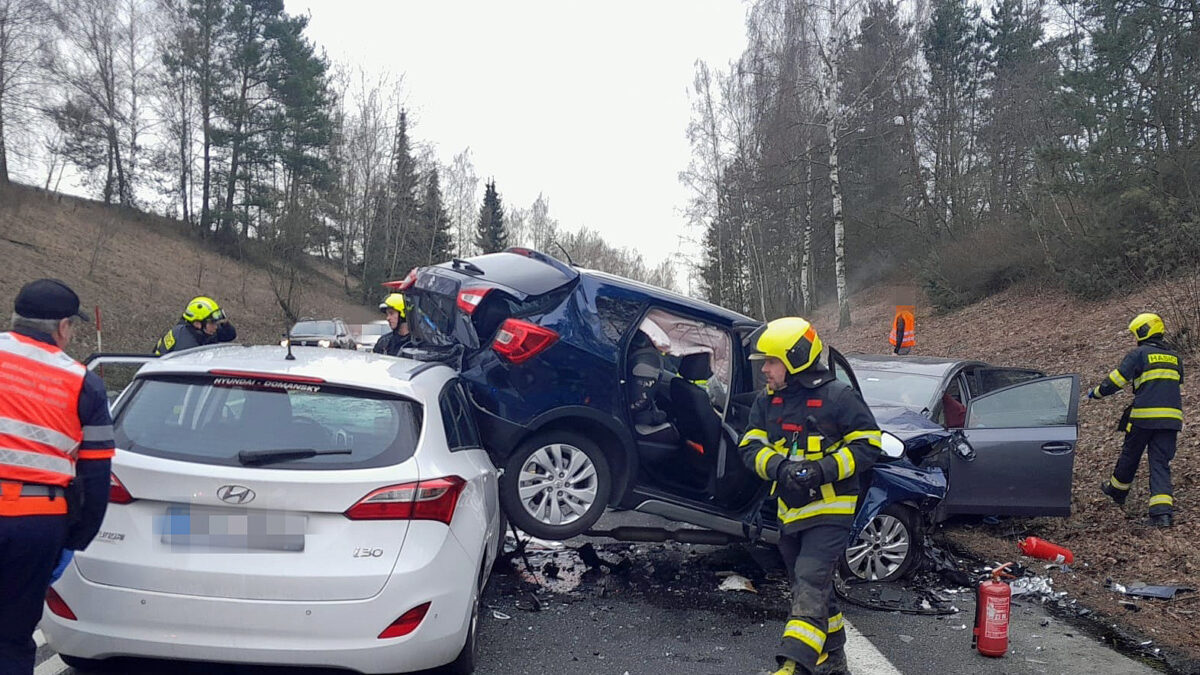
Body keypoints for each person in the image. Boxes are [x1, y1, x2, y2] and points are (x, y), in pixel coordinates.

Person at [740, 317, 881, 675]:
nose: (765, 370)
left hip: (832, 511)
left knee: (808, 579)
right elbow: (750, 447)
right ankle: (834, 658)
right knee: (814, 586)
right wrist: (779, 468)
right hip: (791, 513)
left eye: (771, 362)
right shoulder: (767, 402)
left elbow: (870, 444)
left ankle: (795, 664)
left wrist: (823, 470)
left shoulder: (837, 398)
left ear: (796, 359)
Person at [0, 279, 114, 674]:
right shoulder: (83, 382)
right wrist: (74, 539)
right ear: (63, 327)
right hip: (35, 522)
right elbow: (97, 475)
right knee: (12, 638)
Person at [1087, 312, 1184, 527]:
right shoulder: (1175, 357)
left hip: (1144, 417)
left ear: (1142, 331)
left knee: (1131, 454)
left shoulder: (1139, 354)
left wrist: (1096, 393)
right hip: (1171, 420)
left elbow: (1117, 380)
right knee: (1160, 463)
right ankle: (1162, 515)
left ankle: (1117, 492)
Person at [153, 296, 236, 356]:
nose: (216, 327)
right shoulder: (186, 347)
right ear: (197, 324)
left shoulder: (202, 331)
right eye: (212, 323)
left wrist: (226, 325)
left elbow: (229, 336)